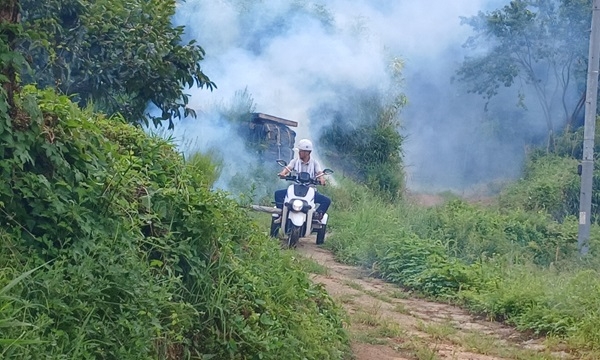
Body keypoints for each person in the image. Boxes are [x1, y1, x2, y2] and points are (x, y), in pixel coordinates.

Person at [274, 139, 331, 220]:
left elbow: (319, 172)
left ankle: (316, 216)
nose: (299, 152)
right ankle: (282, 213)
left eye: (302, 151)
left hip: (310, 190)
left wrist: (322, 179)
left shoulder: (314, 163)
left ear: (308, 152)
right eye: (300, 151)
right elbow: (288, 168)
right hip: (295, 189)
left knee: (326, 201)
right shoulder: (295, 161)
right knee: (278, 194)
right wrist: (283, 173)